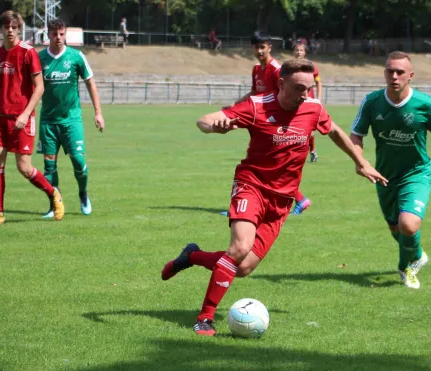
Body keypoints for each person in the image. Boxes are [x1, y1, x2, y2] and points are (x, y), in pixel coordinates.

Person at [162, 59, 385, 336]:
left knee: (242, 268)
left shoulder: (313, 108)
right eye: (299, 88)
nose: (305, 94)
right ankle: (205, 318)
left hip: (282, 201)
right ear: (281, 84)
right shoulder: (257, 106)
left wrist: (360, 161)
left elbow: (336, 132)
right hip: (251, 186)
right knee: (240, 248)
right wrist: (213, 125)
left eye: (309, 88)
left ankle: (192, 256)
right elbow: (203, 120)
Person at [349, 51, 431, 289]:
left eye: (400, 72)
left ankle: (405, 267)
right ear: (384, 73)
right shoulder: (371, 102)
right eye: (390, 71)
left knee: (408, 225)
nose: (394, 76)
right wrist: (361, 162)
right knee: (395, 228)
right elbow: (356, 134)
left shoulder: (424, 103)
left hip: (416, 173)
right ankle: (417, 255)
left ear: (411, 76)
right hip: (385, 175)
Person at [0, 10, 64, 226]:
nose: (10, 30)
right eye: (6, 27)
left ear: (19, 29)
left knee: (24, 167)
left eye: (14, 27)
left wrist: (25, 114)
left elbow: (39, 88)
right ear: (0, 29)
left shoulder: (28, 53)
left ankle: (53, 193)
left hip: (21, 119)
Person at [233, 31, 311, 215]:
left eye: (263, 47)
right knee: (264, 164)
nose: (260, 51)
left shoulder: (277, 70)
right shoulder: (256, 69)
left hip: (275, 123)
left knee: (268, 165)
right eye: (256, 47)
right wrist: (237, 105)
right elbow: (254, 92)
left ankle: (249, 204)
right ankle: (254, 203)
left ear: (269, 47)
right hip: (259, 121)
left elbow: (283, 96)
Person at [37, 19, 105, 218]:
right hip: (48, 121)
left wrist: (98, 112)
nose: (58, 38)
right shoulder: (39, 58)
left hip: (71, 120)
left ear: (65, 34)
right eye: (54, 34)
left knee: (78, 160)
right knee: (49, 165)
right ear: (47, 35)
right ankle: (54, 204)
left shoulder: (76, 57)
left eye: (61, 34)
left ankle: (83, 194)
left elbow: (91, 84)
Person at [293, 42, 322, 163]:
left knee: (309, 130)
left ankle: (313, 151)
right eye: (297, 50)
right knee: (294, 128)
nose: (299, 52)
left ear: (305, 52)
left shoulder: (311, 66)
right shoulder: (290, 66)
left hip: (308, 101)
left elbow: (318, 82)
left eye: (301, 50)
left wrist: (318, 99)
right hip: (294, 100)